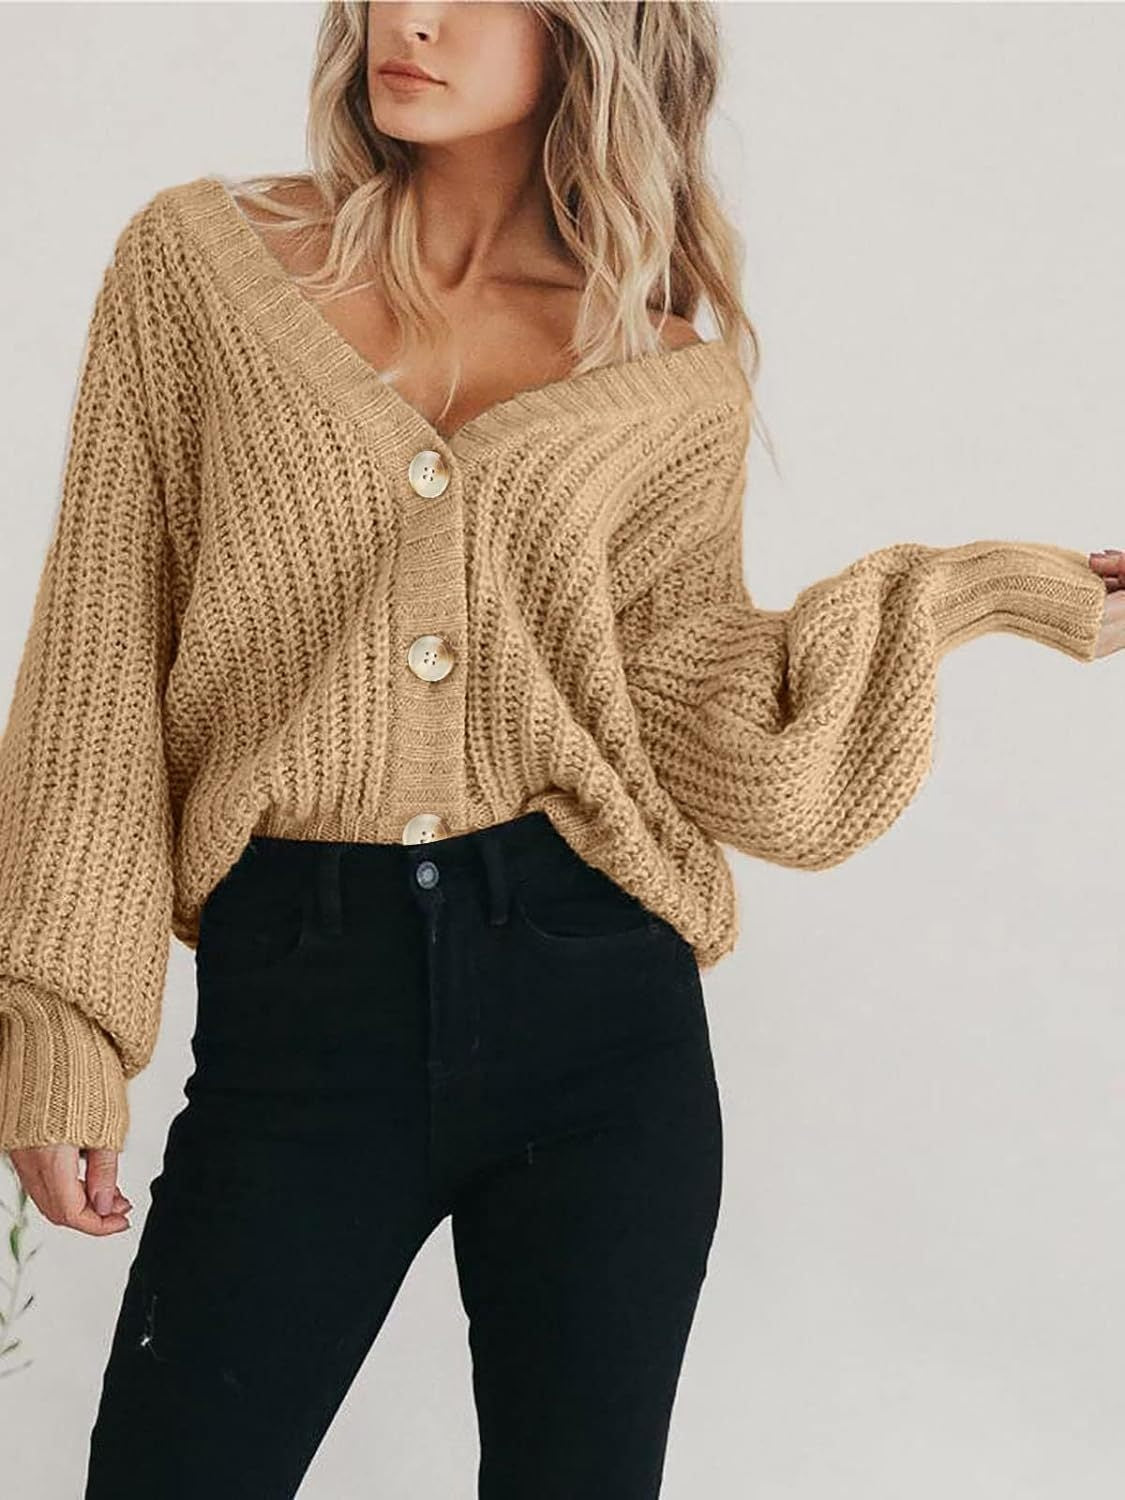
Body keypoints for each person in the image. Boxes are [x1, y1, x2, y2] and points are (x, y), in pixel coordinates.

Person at [0, 2, 1120, 1496]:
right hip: (301, 1009)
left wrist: (970, 595)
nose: (410, 18)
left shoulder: (665, 373)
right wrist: (61, 1027)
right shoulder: (201, 266)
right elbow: (97, 653)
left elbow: (696, 707)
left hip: (597, 1011)